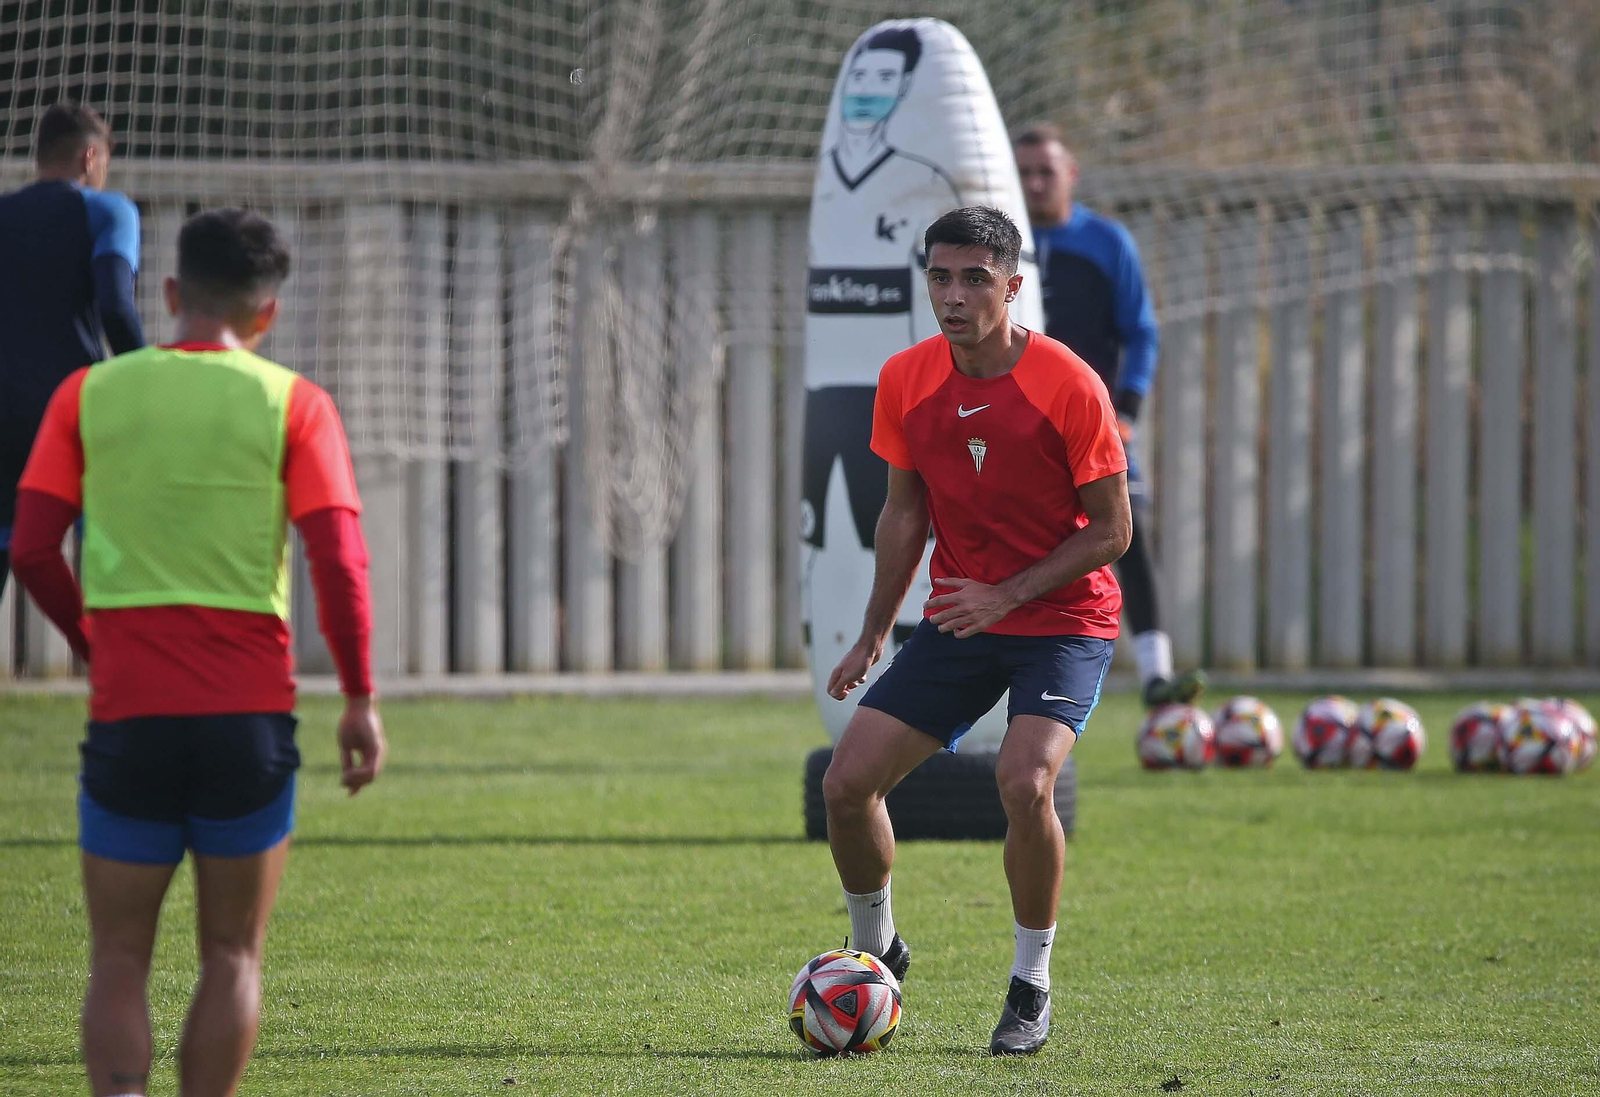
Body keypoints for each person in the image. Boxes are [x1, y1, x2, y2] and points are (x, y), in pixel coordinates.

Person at [9, 208, 386, 1097]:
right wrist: (361, 696)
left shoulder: (88, 394)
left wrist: (89, 638)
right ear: (268, 316)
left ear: (170, 293)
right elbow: (340, 562)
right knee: (231, 953)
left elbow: (30, 547)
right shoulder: (295, 402)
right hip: (246, 722)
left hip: (130, 712)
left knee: (117, 955)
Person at [823, 205, 1131, 1055]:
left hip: (1065, 619)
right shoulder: (906, 379)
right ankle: (876, 949)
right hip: (962, 618)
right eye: (939, 277)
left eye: (974, 279)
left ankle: (1030, 984)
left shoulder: (1069, 384)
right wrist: (873, 631)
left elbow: (1113, 531)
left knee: (1024, 780)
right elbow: (903, 511)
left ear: (1013, 286)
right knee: (847, 785)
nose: (953, 296)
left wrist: (1008, 594)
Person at [1013, 122, 1204, 709]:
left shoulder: (1106, 242)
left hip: (1093, 427)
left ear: (1071, 174)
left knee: (1128, 532)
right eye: (1023, 173)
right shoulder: (997, 246)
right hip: (1017, 429)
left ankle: (1154, 675)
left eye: (1046, 171)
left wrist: (1128, 410)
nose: (1035, 183)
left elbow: (1141, 331)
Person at [0, 101, 146, 597]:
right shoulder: (108, 210)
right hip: (71, 412)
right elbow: (116, 308)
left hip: (3, 417)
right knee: (109, 557)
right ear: (90, 158)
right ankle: (113, 665)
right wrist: (144, 376)